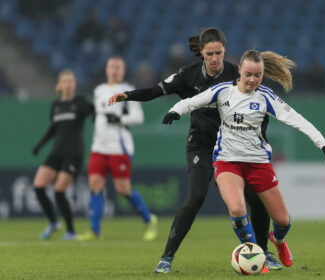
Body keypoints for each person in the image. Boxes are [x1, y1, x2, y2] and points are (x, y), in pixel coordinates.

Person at [108, 28, 281, 273]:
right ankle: (167, 257)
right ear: (201, 52)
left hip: (233, 148)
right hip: (200, 144)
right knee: (197, 196)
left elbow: (258, 106)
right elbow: (156, 91)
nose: (214, 59)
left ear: (225, 51)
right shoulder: (188, 75)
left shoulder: (236, 74)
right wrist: (127, 95)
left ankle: (263, 253)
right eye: (209, 53)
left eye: (218, 53)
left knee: (255, 198)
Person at [162, 50, 325, 267]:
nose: (252, 80)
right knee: (237, 209)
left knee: (282, 221)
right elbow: (191, 102)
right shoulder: (223, 91)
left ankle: (277, 241)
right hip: (227, 161)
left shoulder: (266, 97)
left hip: (259, 164)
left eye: (257, 75)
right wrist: (176, 110)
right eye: (248, 74)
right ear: (239, 70)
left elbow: (299, 120)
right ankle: (257, 257)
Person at [76, 56, 158, 241]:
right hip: (99, 146)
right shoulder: (99, 90)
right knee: (95, 186)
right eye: (111, 66)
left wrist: (119, 120)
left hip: (119, 147)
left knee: (123, 188)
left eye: (118, 67)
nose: (114, 70)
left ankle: (149, 220)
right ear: (106, 70)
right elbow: (99, 115)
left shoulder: (128, 91)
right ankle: (94, 230)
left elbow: (138, 117)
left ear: (123, 70)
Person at [32, 69, 94, 240]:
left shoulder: (80, 102)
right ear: (59, 85)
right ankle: (53, 222)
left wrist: (97, 117)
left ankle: (71, 232)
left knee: (59, 190)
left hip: (74, 154)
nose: (68, 84)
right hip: (56, 153)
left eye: (71, 81)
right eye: (65, 81)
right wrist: (39, 145)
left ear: (74, 84)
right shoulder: (56, 106)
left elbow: (94, 113)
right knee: (38, 186)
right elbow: (53, 129)